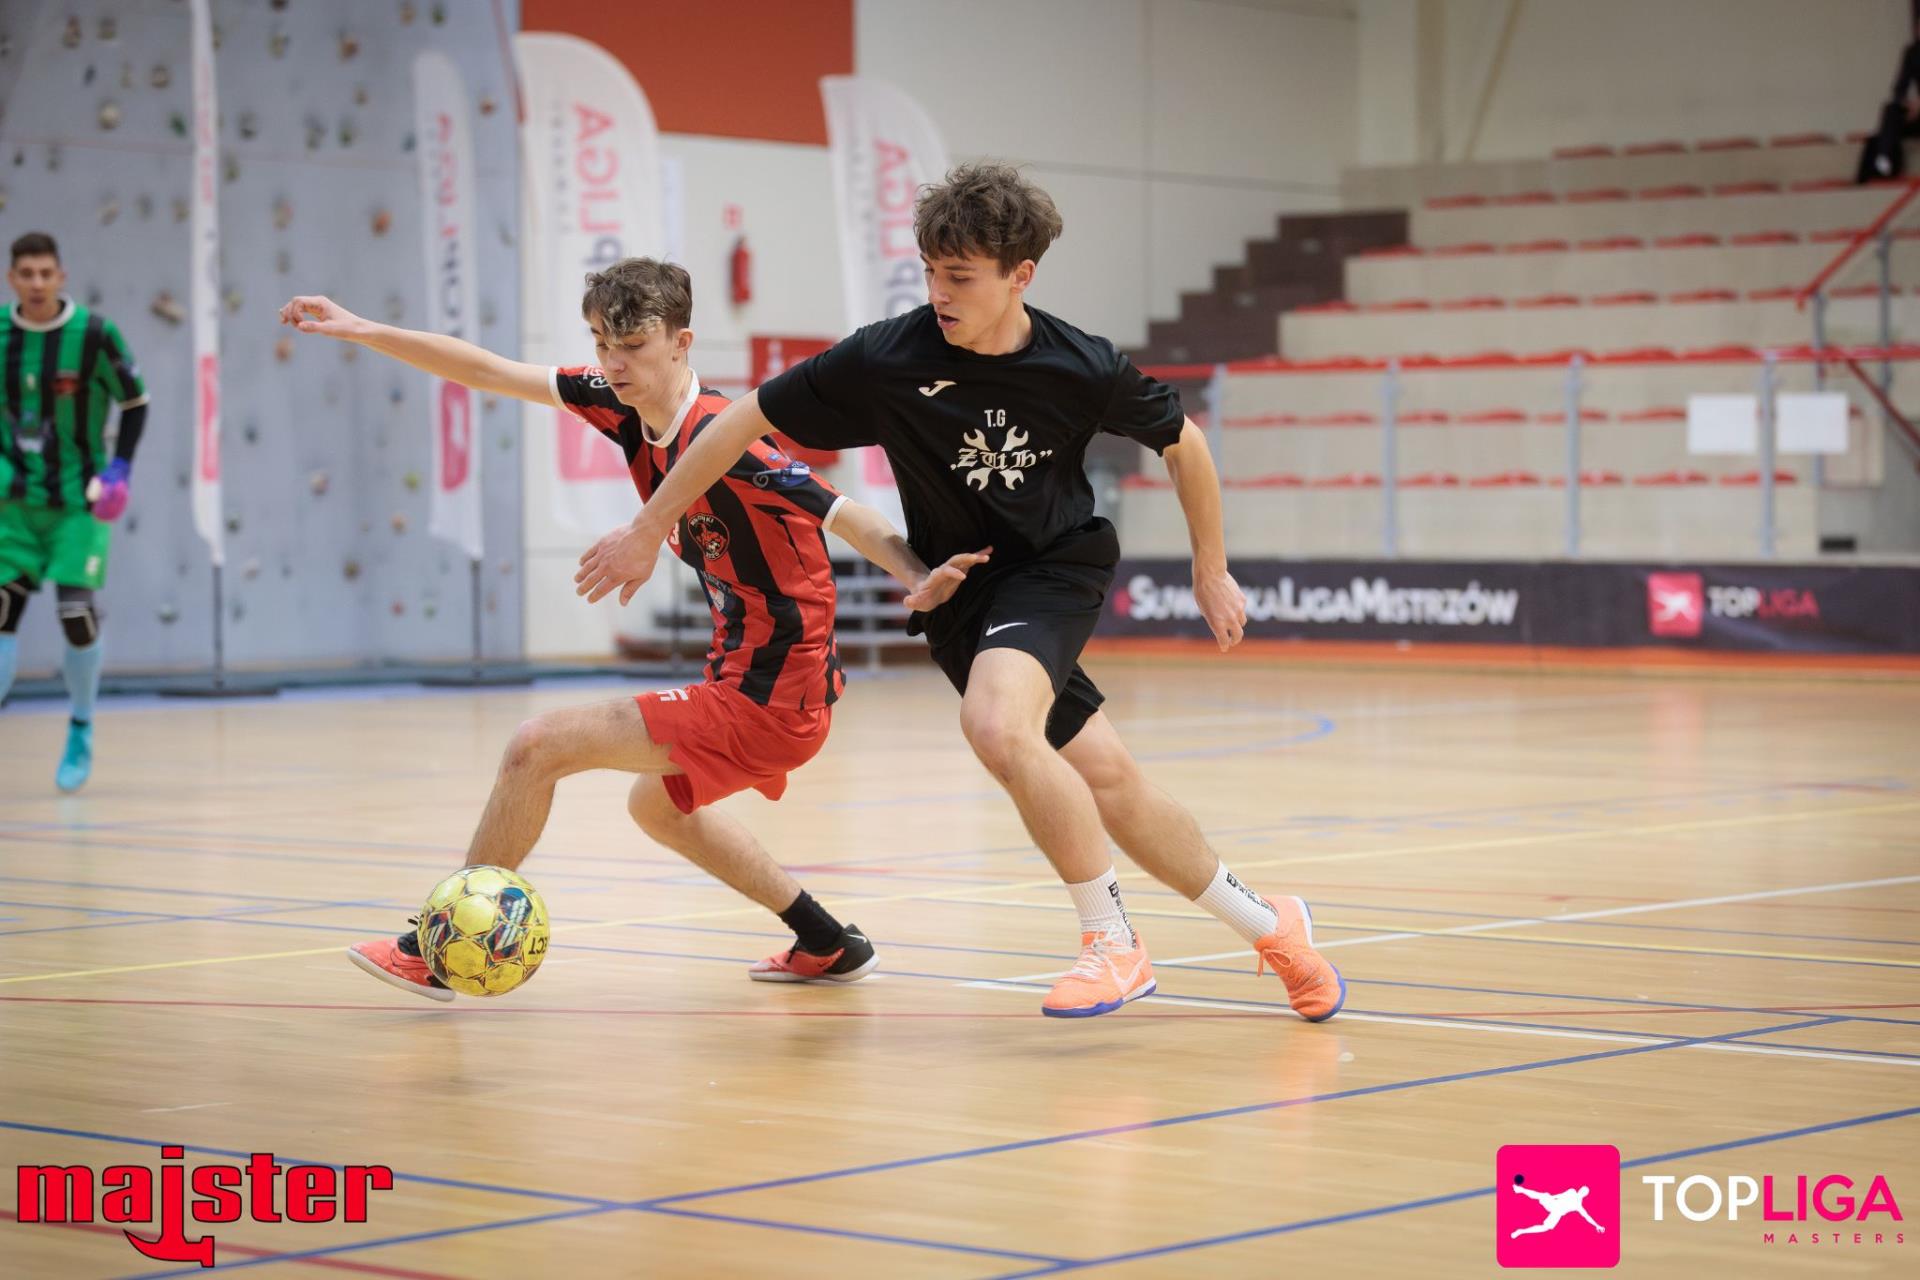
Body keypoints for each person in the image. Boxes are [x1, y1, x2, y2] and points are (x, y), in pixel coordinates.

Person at [575, 165, 1346, 1022]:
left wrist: (1211, 568)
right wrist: (649, 526)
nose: (939, 293)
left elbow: (1184, 442)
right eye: (930, 272)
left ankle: (1112, 943)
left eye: (961, 276)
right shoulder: (888, 356)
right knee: (1109, 781)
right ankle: (1272, 925)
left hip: (1053, 570)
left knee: (997, 725)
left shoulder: (1080, 364)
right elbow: (739, 421)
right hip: (959, 594)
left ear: (1021, 276)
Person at [279, 258, 985, 1000]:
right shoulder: (616, 404)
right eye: (601, 344)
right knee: (659, 808)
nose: (614, 364)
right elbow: (488, 370)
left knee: (537, 746)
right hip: (741, 675)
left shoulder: (730, 440)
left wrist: (917, 574)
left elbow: (847, 515)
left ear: (681, 342)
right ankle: (827, 941)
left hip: (773, 696)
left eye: (634, 346)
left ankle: (435, 950)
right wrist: (362, 329)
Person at [0, 231, 150, 792]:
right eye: (26, 274)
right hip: (13, 504)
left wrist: (120, 468)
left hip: (78, 505)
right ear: (12, 279)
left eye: (46, 273)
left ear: (61, 276)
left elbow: (135, 401)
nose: (37, 283)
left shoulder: (93, 335)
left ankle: (81, 727)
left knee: (75, 617)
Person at [1860, 18, 1920, 182]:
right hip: (1916, 115)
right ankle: (1884, 159)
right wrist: (1907, 104)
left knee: (1886, 133)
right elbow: (1900, 88)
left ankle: (1884, 159)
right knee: (1891, 112)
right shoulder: (1912, 53)